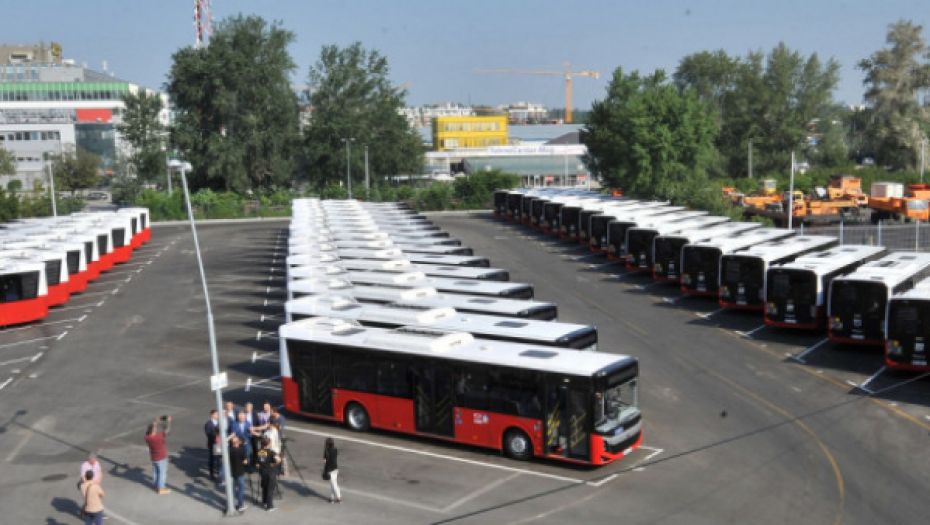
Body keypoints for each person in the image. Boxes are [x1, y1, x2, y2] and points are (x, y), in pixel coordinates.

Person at [144, 416, 171, 494]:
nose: (156, 430)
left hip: (154, 457)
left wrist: (156, 421)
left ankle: (155, 485)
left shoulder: (147, 437)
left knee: (155, 472)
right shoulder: (158, 437)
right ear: (153, 431)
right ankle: (161, 488)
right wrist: (169, 422)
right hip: (161, 457)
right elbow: (167, 431)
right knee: (162, 472)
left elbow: (150, 429)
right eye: (155, 429)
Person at [255, 437, 281, 512]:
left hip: (263, 472)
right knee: (270, 489)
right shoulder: (271, 452)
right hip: (270, 472)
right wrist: (274, 464)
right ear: (268, 444)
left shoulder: (259, 451)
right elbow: (278, 459)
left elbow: (257, 464)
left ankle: (264, 501)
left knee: (264, 487)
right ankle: (269, 506)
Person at [228, 435, 249, 513]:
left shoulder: (229, 450)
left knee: (232, 489)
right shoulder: (241, 450)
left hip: (232, 471)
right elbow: (245, 459)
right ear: (236, 443)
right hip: (240, 471)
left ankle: (231, 504)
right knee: (241, 489)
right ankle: (240, 505)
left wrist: (230, 437)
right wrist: (244, 444)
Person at [323, 437, 341, 504]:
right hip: (336, 468)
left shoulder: (326, 451)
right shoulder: (335, 450)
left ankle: (339, 497)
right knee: (332, 484)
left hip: (330, 470)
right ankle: (332, 498)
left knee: (334, 484)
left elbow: (324, 461)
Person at [204, 410, 220, 480]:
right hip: (212, 444)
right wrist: (216, 435)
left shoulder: (219, 422)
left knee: (219, 458)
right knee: (212, 459)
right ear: (212, 415)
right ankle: (211, 473)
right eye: (216, 414)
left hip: (218, 444)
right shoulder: (208, 424)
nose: (218, 416)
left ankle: (219, 472)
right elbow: (208, 434)